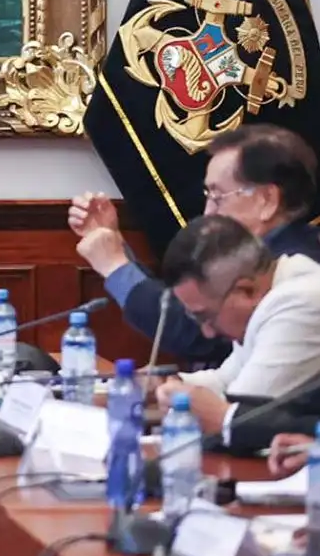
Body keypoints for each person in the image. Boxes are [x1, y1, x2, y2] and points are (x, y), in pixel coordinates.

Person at [69, 124, 320, 363]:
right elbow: (185, 307)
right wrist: (114, 242)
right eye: (207, 196)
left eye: (218, 196)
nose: (208, 212)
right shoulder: (268, 252)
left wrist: (114, 265)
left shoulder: (296, 270)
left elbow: (195, 332)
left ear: (266, 200)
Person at [150, 214, 320, 437]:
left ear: (244, 291)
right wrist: (165, 384)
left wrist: (182, 399)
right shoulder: (277, 285)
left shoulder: (300, 302)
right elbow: (227, 379)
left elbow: (237, 413)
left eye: (205, 316)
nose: (207, 332)